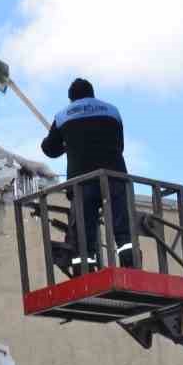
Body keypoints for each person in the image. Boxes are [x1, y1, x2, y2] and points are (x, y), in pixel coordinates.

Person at [40, 77, 133, 268]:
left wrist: (68, 144)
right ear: (92, 94)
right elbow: (119, 145)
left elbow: (50, 149)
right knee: (121, 221)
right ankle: (130, 260)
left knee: (84, 227)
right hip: (114, 175)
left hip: (83, 180)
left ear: (71, 99)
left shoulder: (63, 116)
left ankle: (85, 267)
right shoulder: (112, 111)